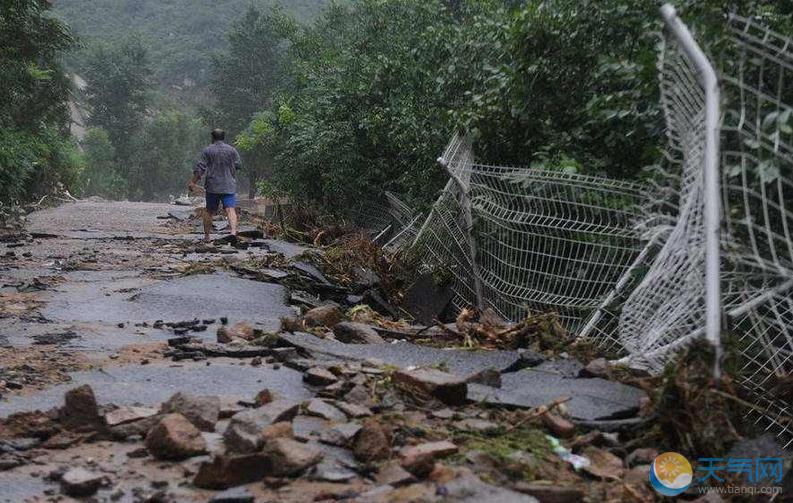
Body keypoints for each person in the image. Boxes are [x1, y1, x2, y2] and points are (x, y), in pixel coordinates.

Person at [188, 128, 242, 242]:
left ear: (212, 137)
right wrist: (229, 168)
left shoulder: (207, 151)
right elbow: (238, 165)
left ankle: (207, 236)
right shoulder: (232, 150)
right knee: (230, 209)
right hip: (228, 185)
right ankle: (233, 232)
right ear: (223, 137)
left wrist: (193, 182)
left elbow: (200, 168)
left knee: (209, 211)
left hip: (213, 186)